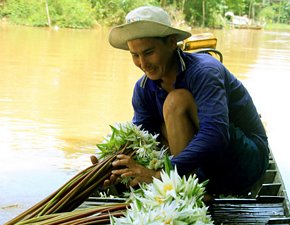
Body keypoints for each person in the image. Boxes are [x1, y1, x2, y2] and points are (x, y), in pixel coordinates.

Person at [96, 5, 269, 197]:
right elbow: (143, 138)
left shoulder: (205, 71)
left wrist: (163, 174)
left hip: (245, 162)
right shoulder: (143, 88)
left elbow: (215, 134)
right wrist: (115, 167)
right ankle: (186, 183)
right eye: (135, 55)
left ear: (171, 43)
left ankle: (190, 193)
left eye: (149, 52)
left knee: (176, 101)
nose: (143, 64)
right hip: (205, 162)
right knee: (147, 137)